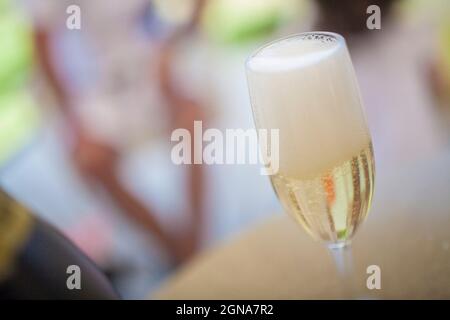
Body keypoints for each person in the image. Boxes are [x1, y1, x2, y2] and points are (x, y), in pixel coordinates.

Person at [27, 0, 206, 263]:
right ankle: (170, 244)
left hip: (154, 62)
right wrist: (73, 121)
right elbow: (42, 45)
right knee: (91, 159)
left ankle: (195, 237)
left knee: (193, 121)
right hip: (95, 83)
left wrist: (173, 44)